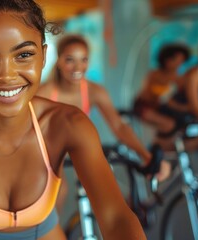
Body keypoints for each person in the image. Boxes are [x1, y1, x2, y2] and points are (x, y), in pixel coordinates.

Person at [0, 1, 146, 239]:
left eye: (24, 55)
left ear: (44, 55)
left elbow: (116, 218)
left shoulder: (68, 124)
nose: (6, 75)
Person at [37, 34, 170, 214]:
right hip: (48, 146)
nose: (78, 67)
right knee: (60, 192)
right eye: (70, 60)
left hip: (76, 144)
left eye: (83, 59)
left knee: (109, 187)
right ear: (59, 61)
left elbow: (118, 126)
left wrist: (145, 155)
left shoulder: (94, 91)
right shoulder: (44, 92)